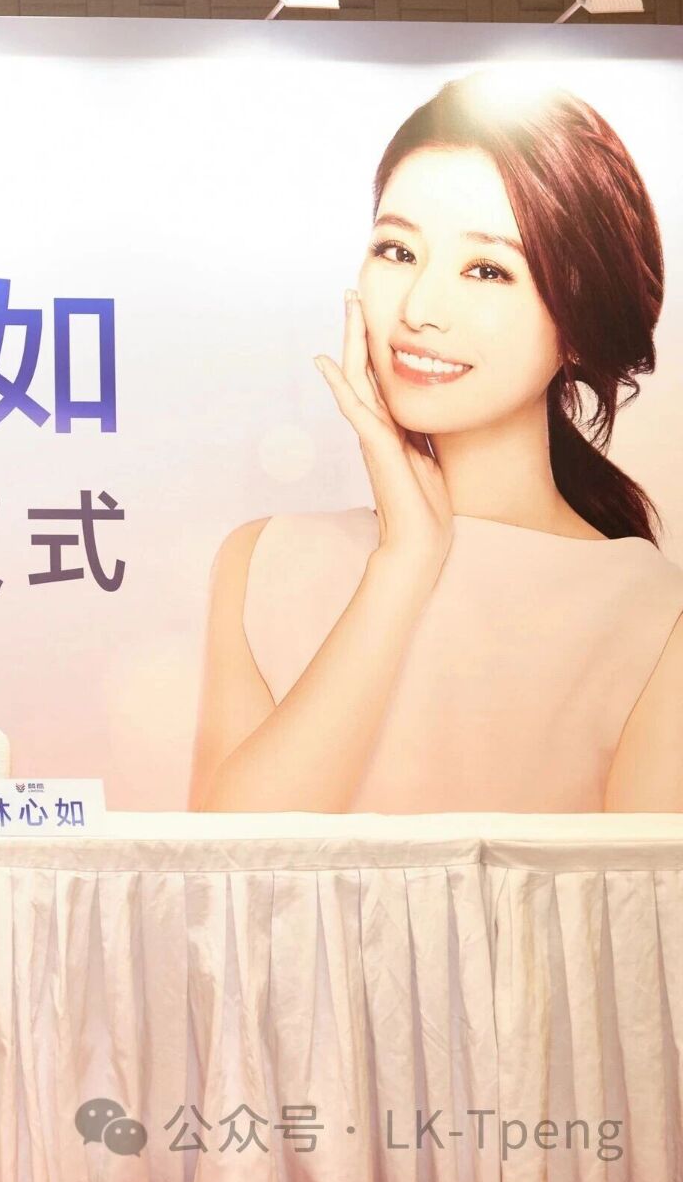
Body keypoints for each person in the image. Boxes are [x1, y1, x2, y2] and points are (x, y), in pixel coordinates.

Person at [189, 74, 683, 813]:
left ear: (579, 319)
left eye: (486, 269)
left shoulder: (655, 620)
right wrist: (403, 564)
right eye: (397, 251)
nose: (420, 308)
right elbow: (225, 869)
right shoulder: (263, 562)